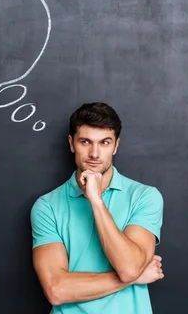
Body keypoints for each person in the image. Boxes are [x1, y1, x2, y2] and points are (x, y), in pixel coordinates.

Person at [30, 102, 164, 313]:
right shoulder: (47, 206)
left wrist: (96, 201)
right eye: (85, 142)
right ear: (71, 143)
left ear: (116, 146)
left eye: (104, 142)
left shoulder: (144, 197)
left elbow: (129, 268)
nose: (94, 153)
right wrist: (133, 278)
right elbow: (56, 290)